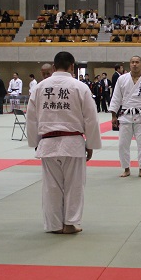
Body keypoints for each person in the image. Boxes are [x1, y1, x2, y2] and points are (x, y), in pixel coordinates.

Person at [27, 51, 102, 234]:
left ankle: (54, 225)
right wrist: (91, 143)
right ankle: (70, 223)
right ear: (72, 67)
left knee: (51, 186)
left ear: (53, 67)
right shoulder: (80, 87)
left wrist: (35, 142)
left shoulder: (39, 88)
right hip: (73, 143)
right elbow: (91, 119)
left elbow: (31, 118)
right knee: (74, 185)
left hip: (48, 143)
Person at [109, 56, 141, 178]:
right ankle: (126, 168)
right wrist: (113, 115)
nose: (134, 64)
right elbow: (116, 97)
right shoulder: (122, 79)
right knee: (122, 144)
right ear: (129, 65)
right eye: (132, 62)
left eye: (137, 62)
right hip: (125, 116)